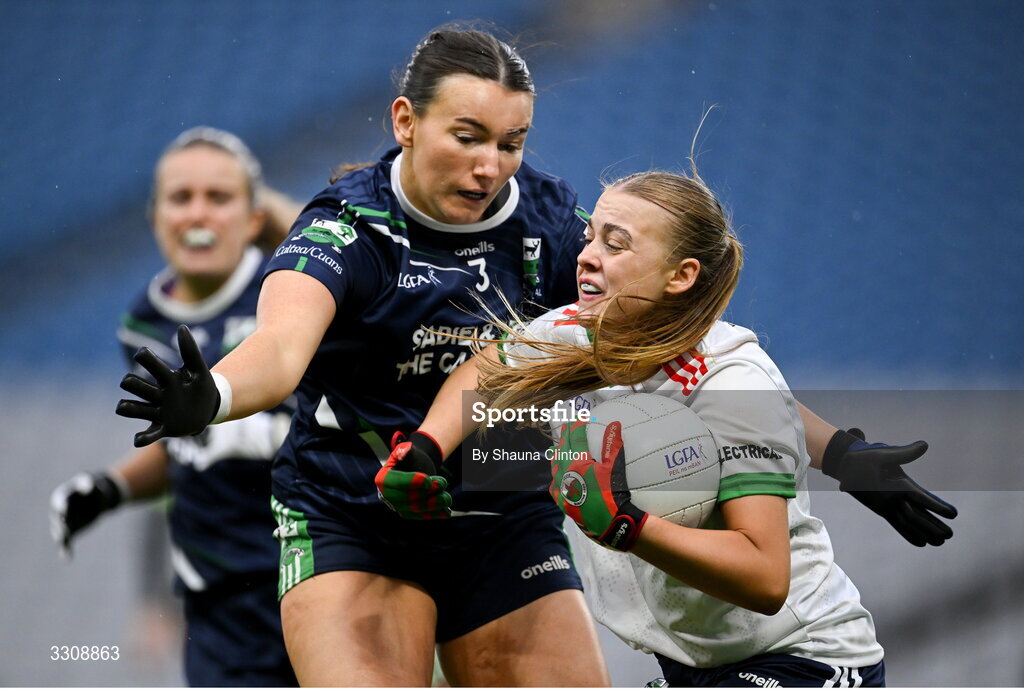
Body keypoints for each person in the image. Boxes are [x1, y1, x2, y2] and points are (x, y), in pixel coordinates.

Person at [113, 25, 953, 686]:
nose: (490, 166)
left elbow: (678, 352)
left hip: (501, 513)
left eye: (511, 142)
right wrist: (215, 396)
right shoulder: (344, 228)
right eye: (468, 136)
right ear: (405, 122)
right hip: (351, 514)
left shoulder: (555, 228)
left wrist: (839, 452)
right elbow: (282, 350)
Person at [413, 164, 901, 686]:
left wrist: (630, 528)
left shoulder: (732, 380)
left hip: (806, 656)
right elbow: (485, 372)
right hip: (691, 667)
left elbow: (764, 577)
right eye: (589, 236)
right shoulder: (568, 332)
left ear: (681, 275)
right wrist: (425, 447)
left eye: (616, 244)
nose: (586, 256)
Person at [50, 127, 303, 687]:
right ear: (155, 215)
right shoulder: (142, 325)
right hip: (219, 598)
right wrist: (108, 488)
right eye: (180, 197)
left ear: (254, 216)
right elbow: (184, 449)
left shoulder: (295, 296)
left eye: (218, 197)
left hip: (313, 572)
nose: (198, 214)